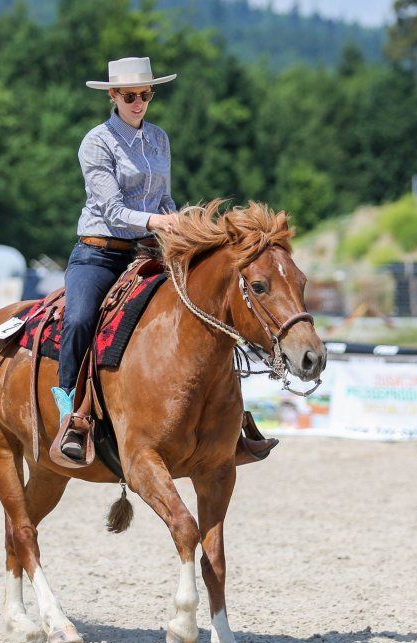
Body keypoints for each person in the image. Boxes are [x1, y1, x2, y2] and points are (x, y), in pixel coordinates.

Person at [52, 56, 276, 463]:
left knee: (207, 310)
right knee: (81, 317)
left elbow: (165, 199)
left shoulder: (158, 139)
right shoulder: (96, 142)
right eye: (130, 95)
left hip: (150, 250)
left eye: (145, 94)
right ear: (114, 97)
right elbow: (113, 210)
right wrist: (161, 220)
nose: (139, 102)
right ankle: (71, 411)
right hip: (99, 253)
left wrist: (184, 225)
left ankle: (230, 417)